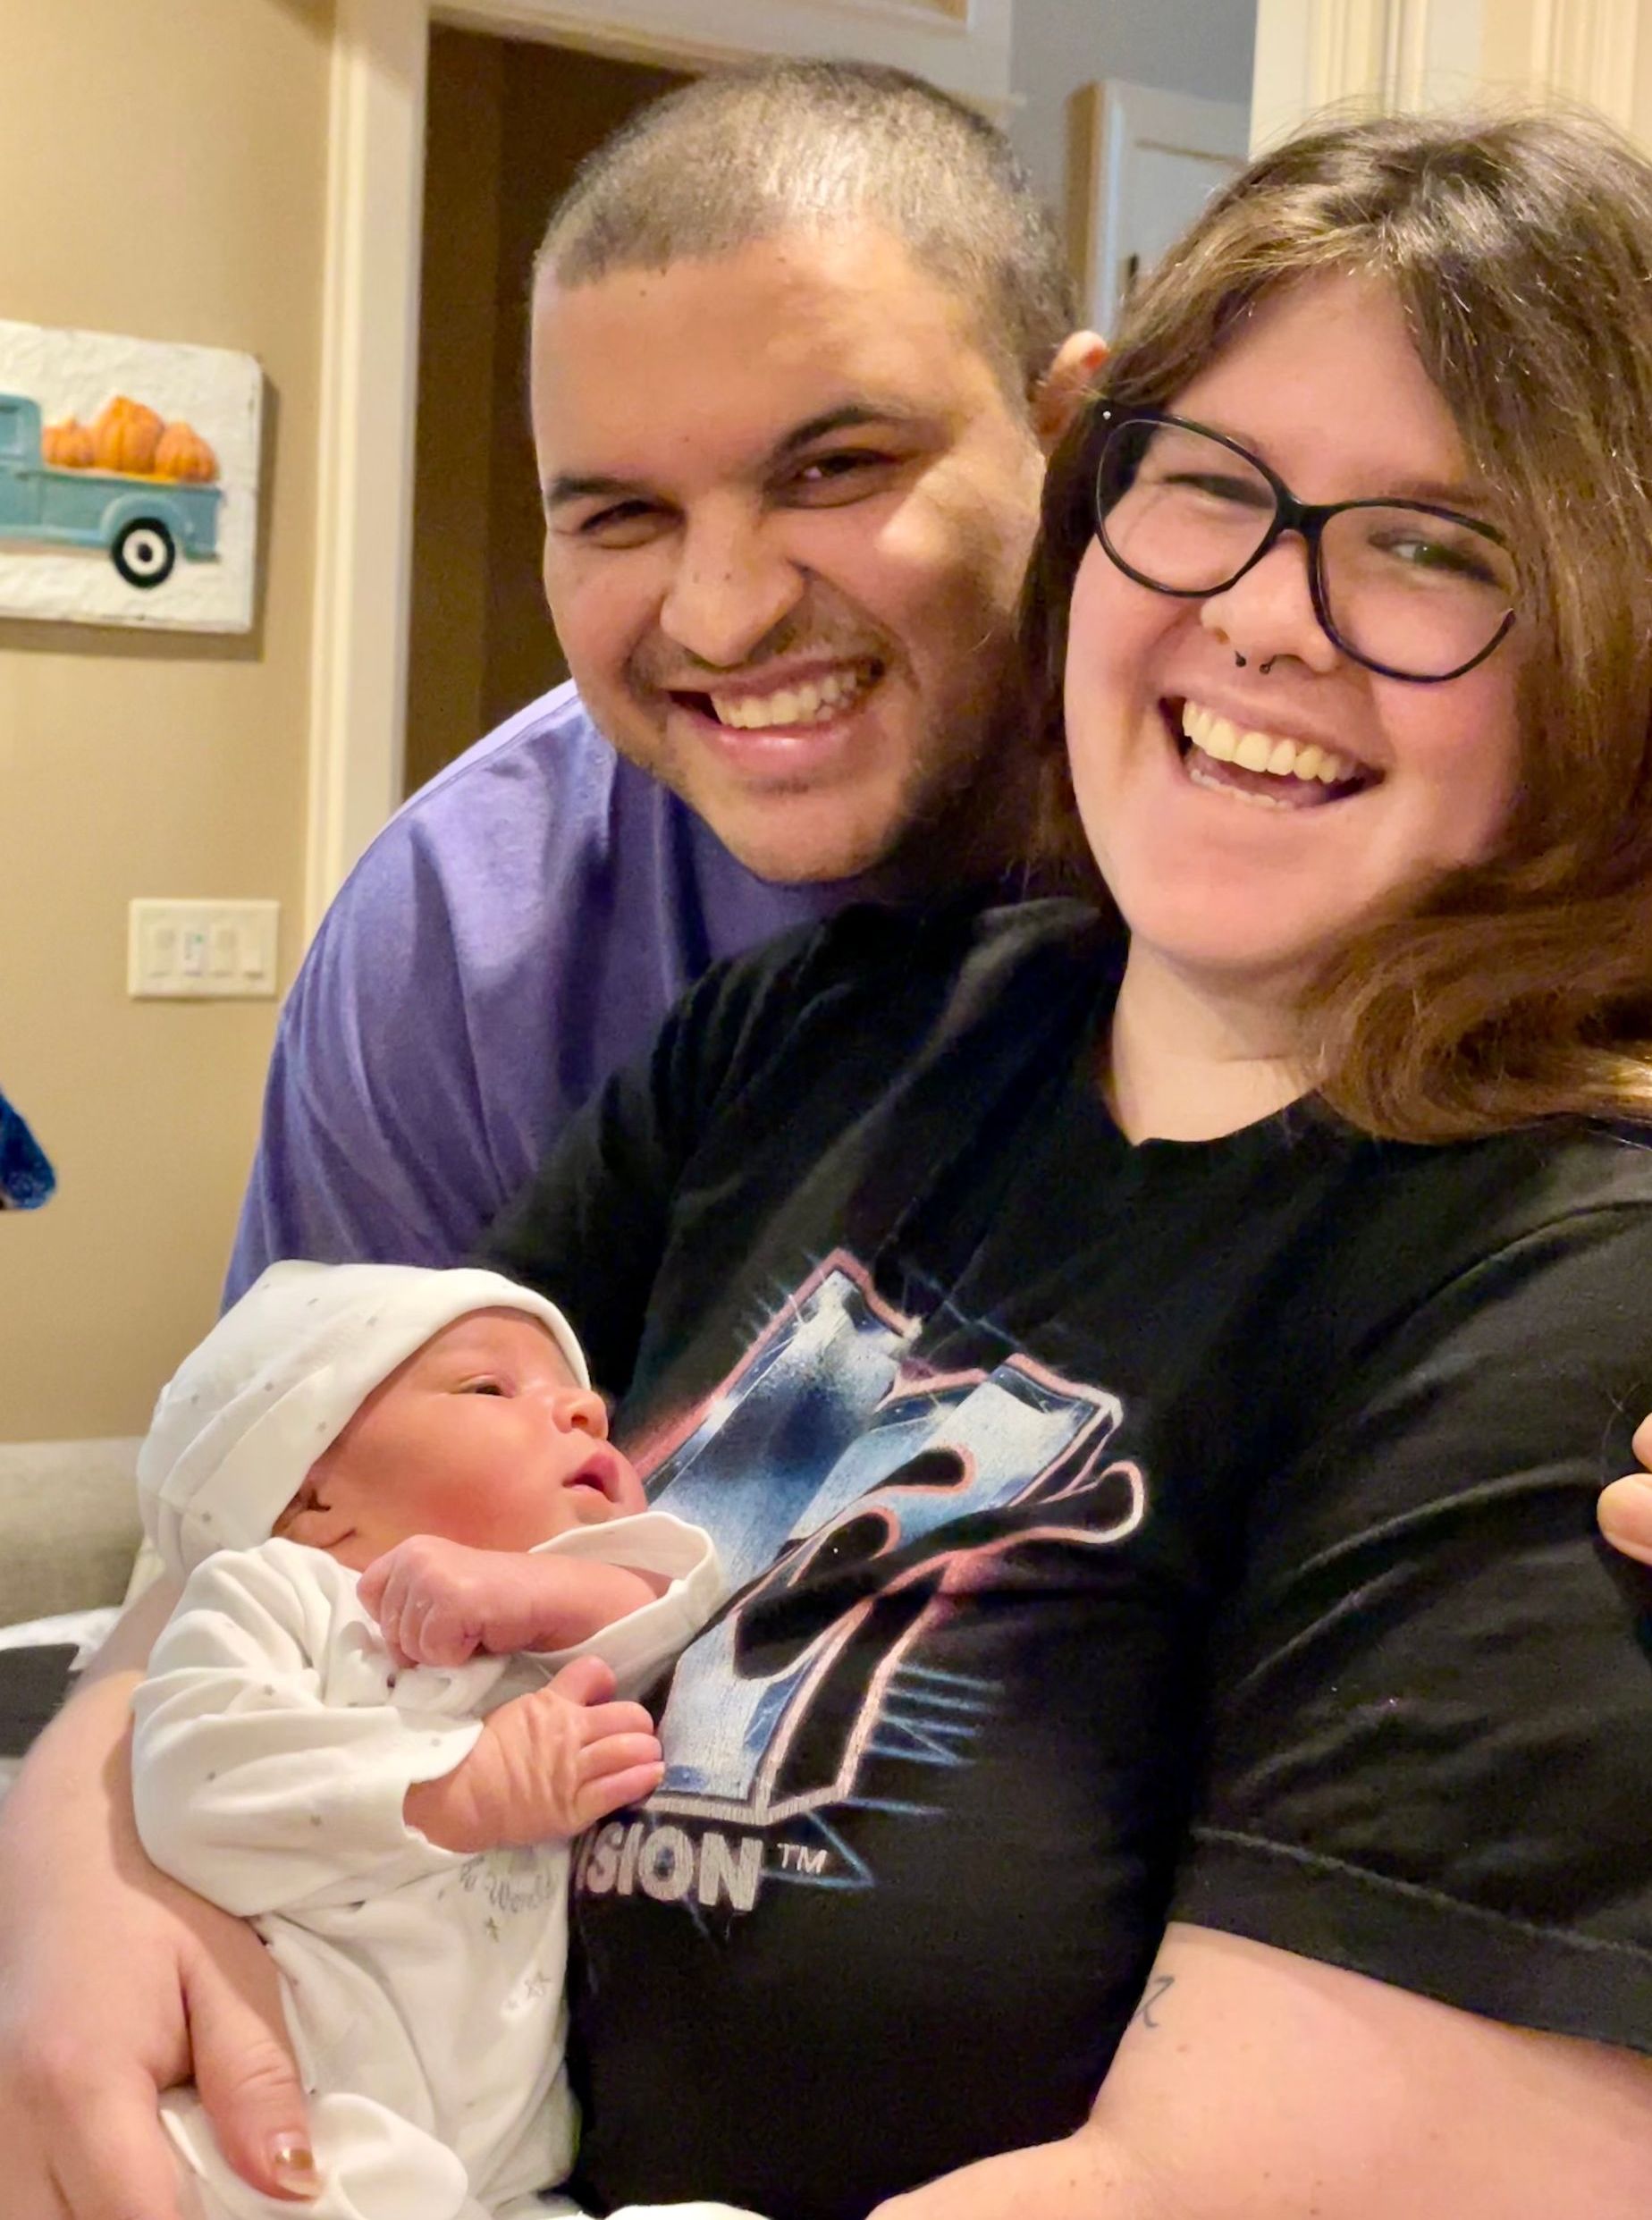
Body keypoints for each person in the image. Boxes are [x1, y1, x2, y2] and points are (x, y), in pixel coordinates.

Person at [5, 76, 1652, 2220]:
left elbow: (1255, 2167)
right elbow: (274, 1509)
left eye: (1440, 545)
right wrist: (84, 1840)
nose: (1267, 613)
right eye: (1217, 492)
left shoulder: (1558, 1280)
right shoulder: (757, 1017)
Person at [222, 60, 1104, 1298]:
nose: (725, 616)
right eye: (621, 516)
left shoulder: (1270, 841)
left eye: (833, 469)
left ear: (1070, 438)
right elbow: (315, 1479)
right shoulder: (460, 939)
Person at [130, 1260, 721, 2220]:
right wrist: (459, 1787)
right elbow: (192, 1778)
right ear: (311, 1501)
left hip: (501, 2176)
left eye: (583, 1400)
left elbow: (680, 1602)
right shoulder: (280, 1595)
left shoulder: (537, 1648)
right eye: (492, 1387)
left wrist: (531, 1592)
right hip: (289, 2124)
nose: (583, 1409)